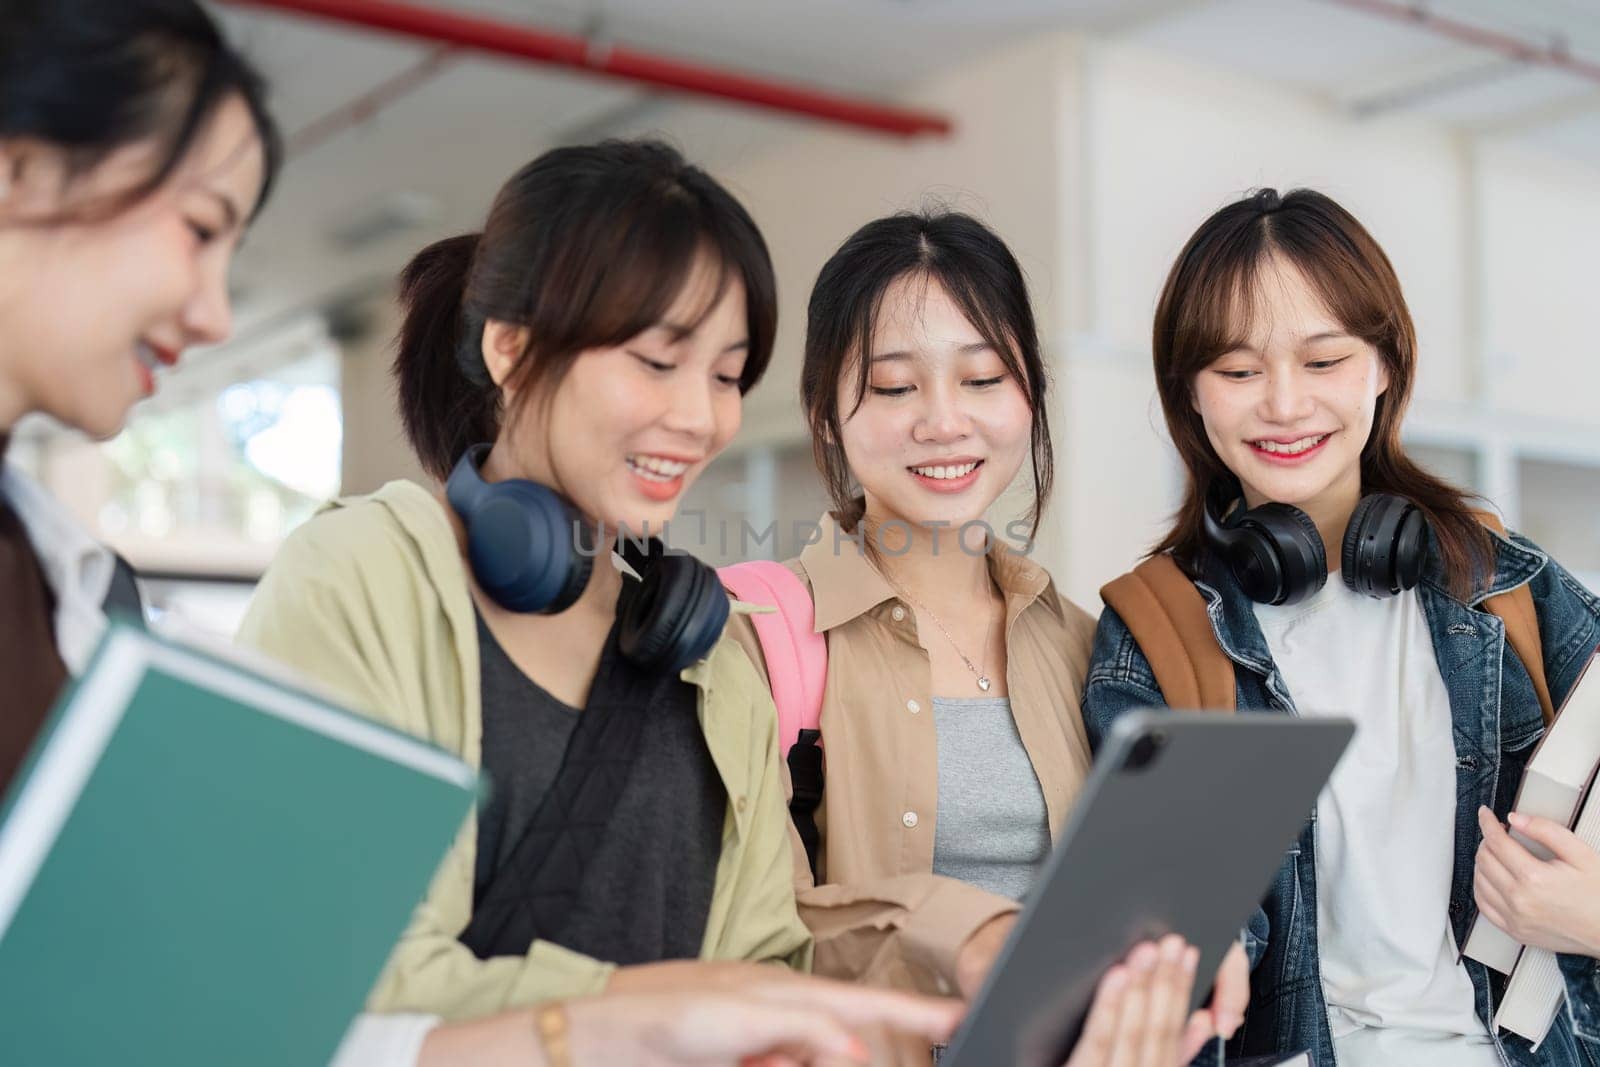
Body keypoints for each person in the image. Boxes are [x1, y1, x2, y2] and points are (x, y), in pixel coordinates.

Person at [1082, 187, 1600, 1065]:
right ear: (1191, 396)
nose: (1285, 405)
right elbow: (1170, 942)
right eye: (1240, 372)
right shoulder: (1155, 634)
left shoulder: (1511, 588)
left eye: (1324, 362)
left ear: (1385, 364)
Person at [727, 210, 1247, 1065]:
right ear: (825, 414)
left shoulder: (1088, 643)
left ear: (1029, 393)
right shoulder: (755, 637)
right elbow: (749, 930)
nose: (944, 421)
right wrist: (962, 932)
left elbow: (1120, 899)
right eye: (895, 388)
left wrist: (1189, 937)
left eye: (982, 379)